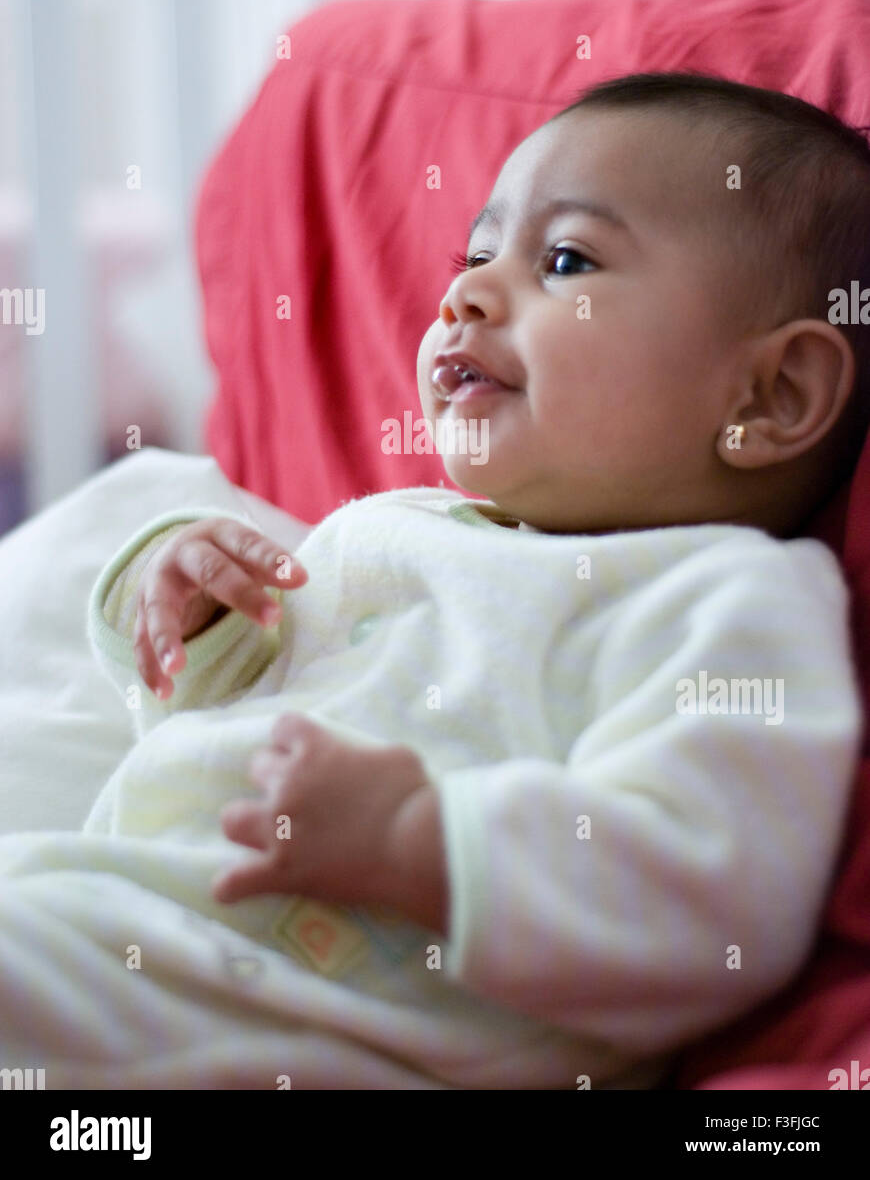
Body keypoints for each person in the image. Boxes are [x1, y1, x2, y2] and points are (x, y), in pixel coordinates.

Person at [0, 73, 865, 1090]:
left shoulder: (727, 600)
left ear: (772, 393)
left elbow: (715, 889)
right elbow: (207, 731)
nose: (464, 293)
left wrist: (420, 840)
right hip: (122, 922)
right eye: (476, 255)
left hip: (312, 1017)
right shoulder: (388, 529)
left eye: (565, 259)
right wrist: (196, 614)